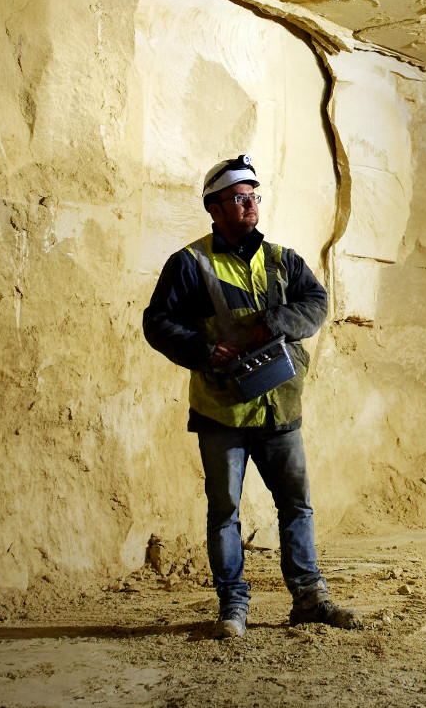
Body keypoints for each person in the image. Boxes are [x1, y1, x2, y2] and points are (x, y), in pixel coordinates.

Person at [142, 154, 361, 640]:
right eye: (238, 199)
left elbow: (317, 303)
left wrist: (276, 321)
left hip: (280, 407)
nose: (249, 205)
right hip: (223, 411)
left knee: (296, 505)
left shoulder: (283, 260)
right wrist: (203, 350)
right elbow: (156, 323)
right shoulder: (189, 264)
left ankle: (309, 598)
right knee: (225, 513)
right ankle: (232, 607)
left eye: (253, 197)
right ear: (214, 208)